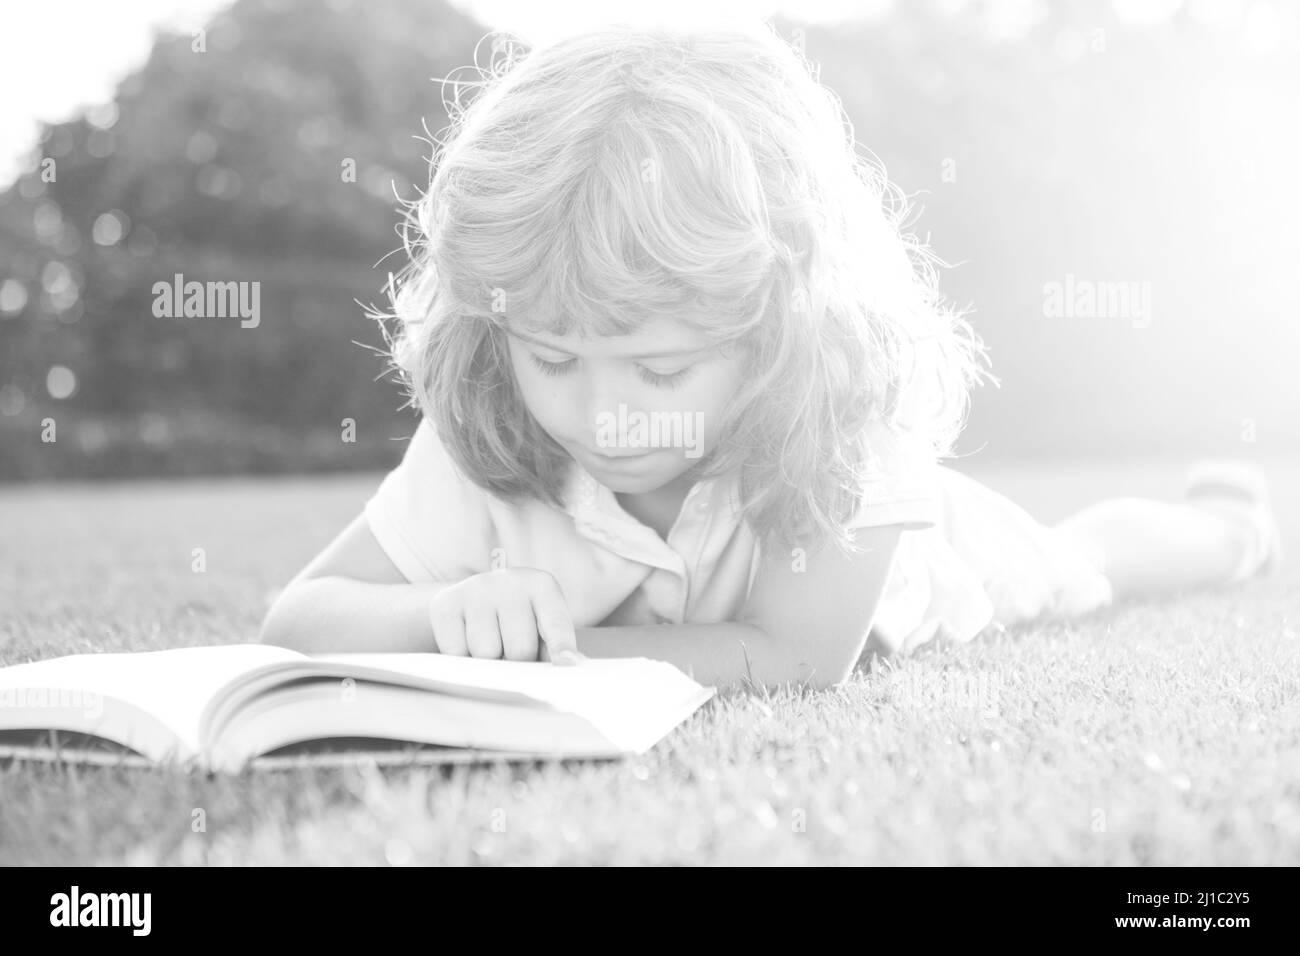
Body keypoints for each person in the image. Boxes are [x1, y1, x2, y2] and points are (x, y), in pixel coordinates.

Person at [259, 22, 1280, 690]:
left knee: (1083, 560)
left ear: (781, 322)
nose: (600, 414)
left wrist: (529, 660)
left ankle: (1228, 525)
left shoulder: (844, 421)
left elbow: (788, 657)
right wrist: (441, 615)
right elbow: (300, 616)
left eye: (659, 372)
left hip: (943, 561)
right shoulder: (494, 419)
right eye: (553, 358)